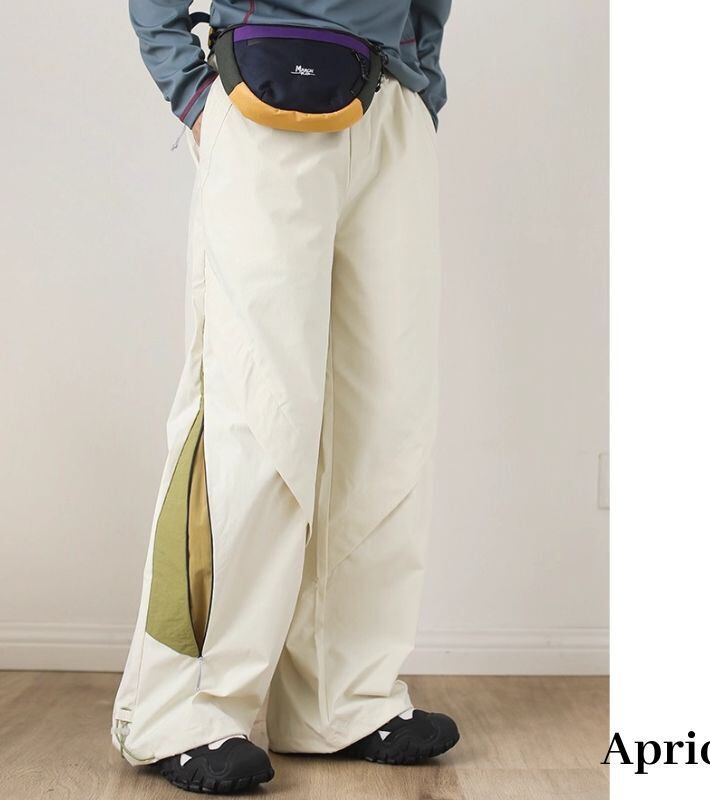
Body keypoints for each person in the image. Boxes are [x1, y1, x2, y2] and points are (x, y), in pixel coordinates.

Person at [112, 1, 455, 793]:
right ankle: (178, 710)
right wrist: (194, 92)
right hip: (267, 87)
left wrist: (422, 78)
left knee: (385, 423)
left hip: (392, 101)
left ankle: (345, 697)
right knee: (252, 416)